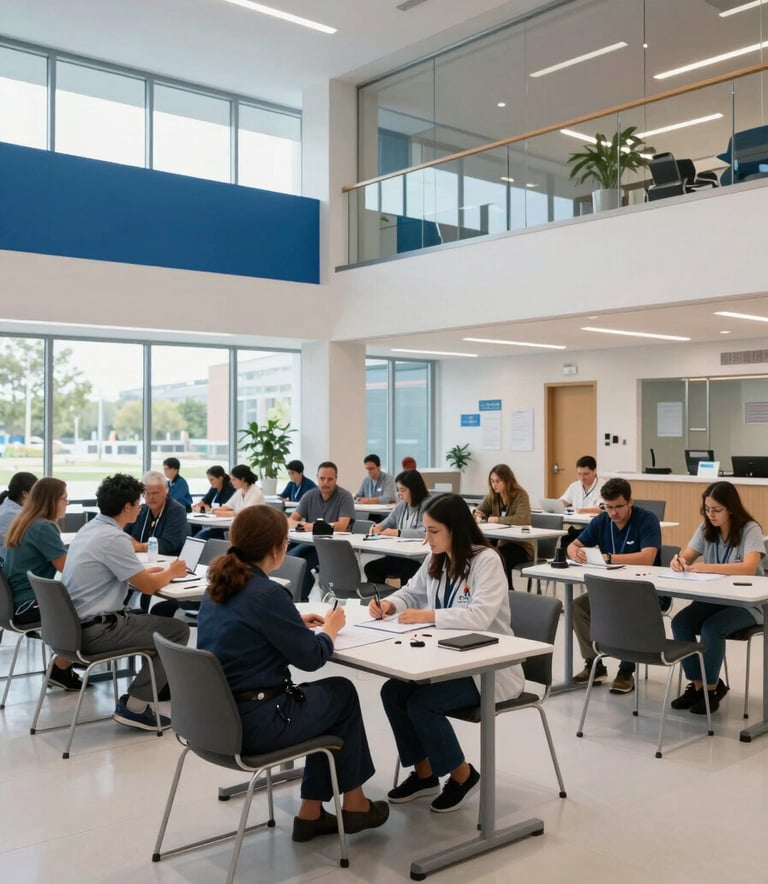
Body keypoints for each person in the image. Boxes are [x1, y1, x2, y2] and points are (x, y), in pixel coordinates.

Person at [197, 505, 388, 841]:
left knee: (325, 699)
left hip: (214, 721)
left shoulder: (217, 587)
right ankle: (353, 804)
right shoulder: (269, 593)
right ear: (278, 548)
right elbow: (312, 658)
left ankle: (311, 813)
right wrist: (330, 629)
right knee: (340, 694)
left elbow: (242, 631)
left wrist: (289, 623)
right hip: (257, 724)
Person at [371, 494, 523, 813]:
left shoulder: (487, 560)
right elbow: (412, 592)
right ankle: (425, 775)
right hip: (447, 658)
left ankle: (462, 775)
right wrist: (389, 604)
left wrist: (428, 616)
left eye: (433, 531)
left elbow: (479, 616)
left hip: (488, 667)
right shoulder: (436, 557)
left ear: (455, 529)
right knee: (392, 692)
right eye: (425, 531)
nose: (427, 539)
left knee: (423, 704)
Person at [62, 474, 191, 731]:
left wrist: (158, 573)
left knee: (154, 622)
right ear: (127, 507)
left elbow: (135, 577)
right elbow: (148, 587)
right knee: (177, 630)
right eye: (138, 501)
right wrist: (172, 573)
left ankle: (146, 691)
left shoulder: (92, 529)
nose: (142, 505)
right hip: (97, 631)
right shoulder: (115, 538)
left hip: (71, 627)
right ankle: (136, 706)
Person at [670, 481, 765, 714]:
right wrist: (678, 561)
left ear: (730, 508)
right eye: (707, 509)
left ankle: (711, 691)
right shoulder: (706, 528)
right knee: (680, 622)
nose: (711, 515)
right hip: (715, 599)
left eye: (716, 510)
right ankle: (698, 686)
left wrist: (704, 567)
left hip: (748, 603)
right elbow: (687, 558)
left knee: (712, 628)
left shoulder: (749, 529)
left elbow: (749, 568)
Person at [567, 477, 661, 694]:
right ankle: (594, 664)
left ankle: (626, 670)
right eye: (608, 507)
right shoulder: (602, 520)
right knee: (577, 606)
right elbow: (575, 544)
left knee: (627, 610)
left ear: (630, 502)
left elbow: (648, 557)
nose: (613, 512)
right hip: (612, 588)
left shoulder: (647, 519)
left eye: (618, 506)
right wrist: (574, 551)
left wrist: (609, 558)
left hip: (645, 590)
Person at [4, 477, 85, 691]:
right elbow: (66, 567)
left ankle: (62, 667)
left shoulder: (25, 520)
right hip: (27, 604)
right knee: (87, 607)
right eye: (64, 499)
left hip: (14, 603)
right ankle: (64, 665)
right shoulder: (43, 527)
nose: (67, 504)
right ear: (51, 500)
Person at [287, 462, 356, 601]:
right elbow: (291, 521)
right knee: (288, 556)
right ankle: (289, 597)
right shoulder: (309, 495)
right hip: (311, 543)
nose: (325, 482)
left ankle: (300, 600)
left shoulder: (345, 496)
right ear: (317, 477)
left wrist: (310, 526)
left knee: (302, 562)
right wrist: (309, 526)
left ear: (336, 478)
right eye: (322, 478)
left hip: (333, 547)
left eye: (330, 479)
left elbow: (342, 525)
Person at [363, 469, 431, 586]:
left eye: (403, 490)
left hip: (418, 558)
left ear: (414, 489)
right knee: (371, 568)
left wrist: (398, 532)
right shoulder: (401, 505)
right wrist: (377, 527)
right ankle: (380, 599)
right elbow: (387, 522)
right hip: (400, 555)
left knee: (409, 571)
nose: (399, 494)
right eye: (398, 490)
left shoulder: (429, 505)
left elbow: (425, 531)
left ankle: (404, 601)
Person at [472, 464, 533, 586]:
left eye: (498, 481)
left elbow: (522, 519)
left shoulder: (520, 495)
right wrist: (476, 514)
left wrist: (497, 520)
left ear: (507, 480)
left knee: (500, 557)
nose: (494, 485)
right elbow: (479, 511)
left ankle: (508, 591)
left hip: (519, 545)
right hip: (499, 542)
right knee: (480, 553)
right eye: (492, 481)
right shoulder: (493, 496)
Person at [125, 471, 188, 556]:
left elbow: (168, 544)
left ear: (166, 491)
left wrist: (140, 547)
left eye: (155, 493)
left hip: (167, 560)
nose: (151, 497)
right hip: (139, 559)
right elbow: (124, 533)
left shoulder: (177, 511)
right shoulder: (142, 510)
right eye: (147, 493)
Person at [0, 471, 38, 563]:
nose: (38, 496)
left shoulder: (8, 506)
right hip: (7, 566)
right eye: (36, 492)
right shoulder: (12, 515)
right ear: (25, 494)